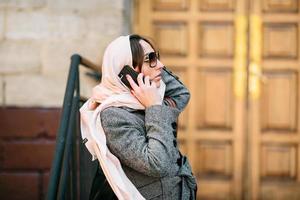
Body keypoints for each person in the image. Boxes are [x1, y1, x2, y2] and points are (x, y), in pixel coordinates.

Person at [80, 34, 197, 200]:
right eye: (150, 59)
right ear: (126, 71)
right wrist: (154, 107)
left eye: (157, 57)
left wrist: (151, 69)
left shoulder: (145, 99)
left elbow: (181, 94)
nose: (161, 66)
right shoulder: (113, 116)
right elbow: (156, 164)